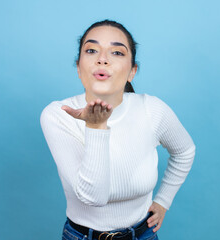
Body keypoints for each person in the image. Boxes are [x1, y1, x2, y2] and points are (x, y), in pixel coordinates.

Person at [40, 19, 196, 240]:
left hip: (143, 235)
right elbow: (92, 197)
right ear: (78, 67)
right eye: (92, 50)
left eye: (117, 53)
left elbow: (185, 151)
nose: (102, 59)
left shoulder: (152, 109)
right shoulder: (58, 114)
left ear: (132, 71)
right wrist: (96, 127)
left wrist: (163, 201)